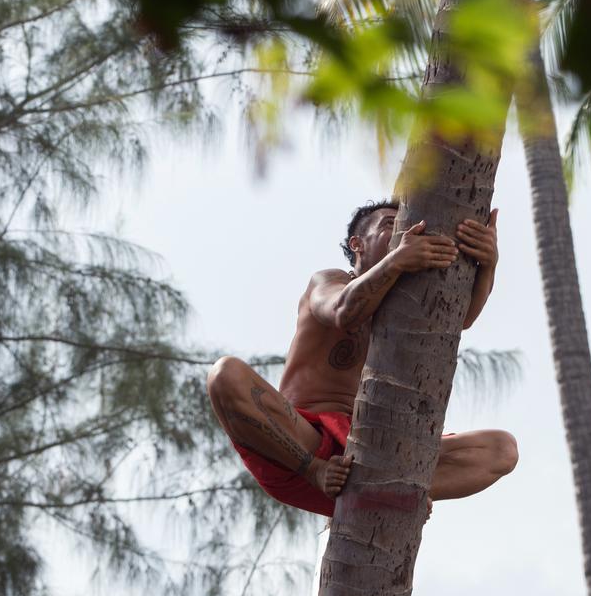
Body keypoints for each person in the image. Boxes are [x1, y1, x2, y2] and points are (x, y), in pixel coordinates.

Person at [206, 200, 516, 517]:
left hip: (372, 454)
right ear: (358, 244)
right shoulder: (329, 281)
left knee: (500, 450)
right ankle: (323, 471)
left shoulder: (404, 306)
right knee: (225, 374)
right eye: (388, 226)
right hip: (302, 447)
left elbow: (459, 320)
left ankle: (398, 488)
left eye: (404, 226)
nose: (400, 232)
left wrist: (487, 264)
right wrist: (397, 262)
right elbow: (343, 311)